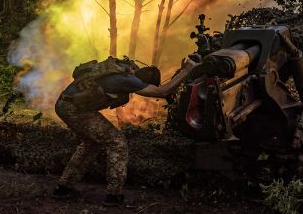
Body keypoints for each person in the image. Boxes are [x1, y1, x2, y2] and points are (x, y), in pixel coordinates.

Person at [52, 56, 196, 206]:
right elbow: (162, 92)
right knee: (116, 142)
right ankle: (114, 195)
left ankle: (63, 188)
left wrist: (181, 72)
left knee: (92, 143)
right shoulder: (129, 80)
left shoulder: (124, 69)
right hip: (74, 109)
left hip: (64, 103)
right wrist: (186, 71)